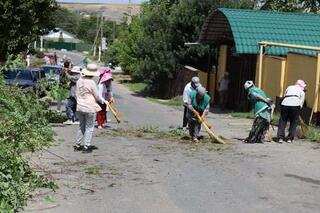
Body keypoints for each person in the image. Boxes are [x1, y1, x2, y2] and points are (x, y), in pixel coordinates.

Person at [74, 64, 106, 153]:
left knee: (81, 126)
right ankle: (86, 146)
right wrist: (103, 101)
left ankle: (77, 144)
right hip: (90, 107)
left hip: (80, 107)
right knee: (89, 127)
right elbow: (97, 96)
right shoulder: (91, 82)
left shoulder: (79, 81)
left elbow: (76, 94)